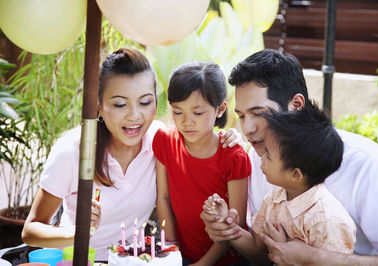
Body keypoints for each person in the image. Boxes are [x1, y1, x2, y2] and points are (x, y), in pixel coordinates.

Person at [21, 48, 242, 261]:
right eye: (119, 104)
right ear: (98, 106)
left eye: (145, 102)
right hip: (77, 260)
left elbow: (202, 136)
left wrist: (230, 137)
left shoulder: (159, 140)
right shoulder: (73, 150)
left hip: (129, 260)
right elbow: (30, 231)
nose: (134, 116)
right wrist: (76, 231)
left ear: (156, 105)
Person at [201, 49, 378, 265]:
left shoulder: (368, 165)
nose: (247, 128)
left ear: (296, 105)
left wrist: (316, 258)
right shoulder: (259, 159)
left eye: (259, 113)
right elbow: (263, 255)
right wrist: (228, 231)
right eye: (241, 115)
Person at [204, 102, 357, 262]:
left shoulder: (326, 221)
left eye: (268, 155)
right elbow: (256, 246)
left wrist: (287, 253)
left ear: (295, 174)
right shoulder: (276, 196)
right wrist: (227, 225)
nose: (260, 159)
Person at [153, 62, 251, 265]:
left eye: (197, 113)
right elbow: (162, 198)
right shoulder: (165, 141)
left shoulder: (234, 156)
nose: (187, 121)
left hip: (227, 261)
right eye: (178, 112)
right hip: (181, 256)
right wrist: (172, 251)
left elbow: (235, 222)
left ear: (220, 109)